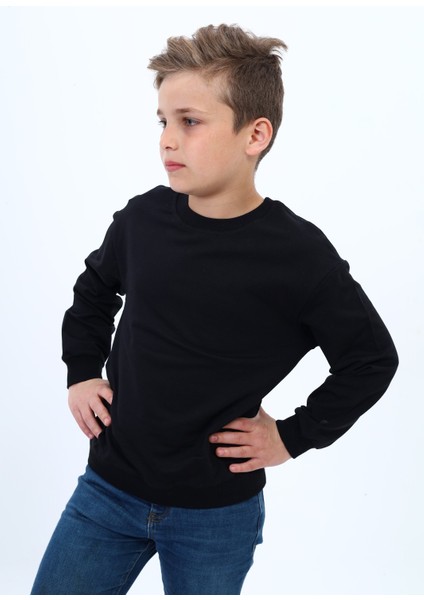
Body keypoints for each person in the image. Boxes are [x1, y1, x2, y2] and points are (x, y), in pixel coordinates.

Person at [31, 24, 398, 595]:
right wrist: (81, 370)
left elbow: (371, 359)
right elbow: (94, 292)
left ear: (255, 134)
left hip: (216, 517)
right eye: (162, 121)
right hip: (107, 492)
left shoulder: (299, 256)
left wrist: (293, 436)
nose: (167, 140)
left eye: (190, 121)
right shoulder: (142, 220)